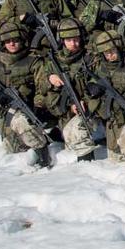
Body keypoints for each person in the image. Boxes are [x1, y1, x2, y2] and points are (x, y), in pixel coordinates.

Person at [0, 21, 51, 167]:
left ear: (22, 40)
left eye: (16, 40)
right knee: (13, 149)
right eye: (8, 41)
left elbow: (42, 87)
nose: (12, 44)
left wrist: (38, 105)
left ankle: (43, 150)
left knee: (23, 123)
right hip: (6, 110)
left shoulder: (33, 60)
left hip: (30, 107)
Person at [83, 30, 125, 172]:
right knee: (115, 162)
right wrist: (92, 86)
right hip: (114, 118)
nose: (110, 55)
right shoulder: (101, 65)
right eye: (106, 53)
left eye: (113, 50)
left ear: (119, 47)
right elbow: (94, 79)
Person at [35, 18, 100, 163]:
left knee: (75, 131)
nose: (73, 43)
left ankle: (87, 162)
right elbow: (40, 86)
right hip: (63, 111)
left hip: (89, 109)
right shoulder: (54, 61)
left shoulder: (90, 58)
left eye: (76, 39)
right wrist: (50, 79)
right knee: (67, 135)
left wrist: (86, 102)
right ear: (62, 40)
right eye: (69, 40)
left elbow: (98, 85)